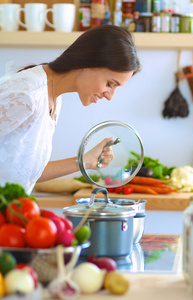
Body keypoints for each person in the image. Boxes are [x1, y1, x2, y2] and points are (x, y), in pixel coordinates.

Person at [0, 25, 141, 193]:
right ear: (89, 63)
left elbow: (25, 173)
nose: (110, 96)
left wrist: (85, 161)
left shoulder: (53, 97)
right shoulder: (27, 95)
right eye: (110, 84)